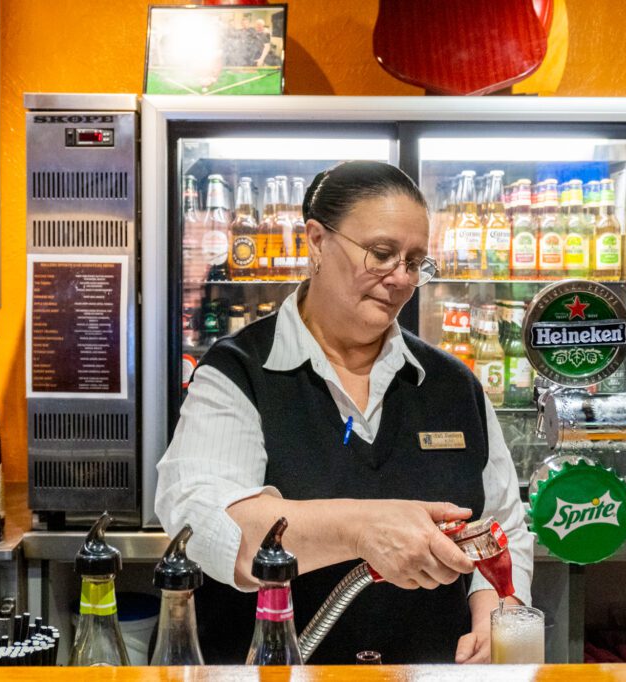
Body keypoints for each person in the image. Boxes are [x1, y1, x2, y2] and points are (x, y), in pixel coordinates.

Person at [157, 161, 533, 664]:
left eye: (415, 262)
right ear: (316, 241)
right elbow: (203, 521)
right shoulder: (238, 373)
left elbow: (500, 526)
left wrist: (494, 611)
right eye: (381, 254)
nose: (400, 278)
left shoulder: (453, 385)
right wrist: (360, 529)